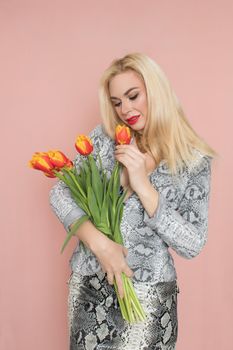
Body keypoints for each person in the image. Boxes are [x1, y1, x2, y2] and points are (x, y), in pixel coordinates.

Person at [49, 52, 217, 350]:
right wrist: (101, 246)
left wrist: (143, 186)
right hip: (90, 289)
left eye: (133, 96)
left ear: (156, 90)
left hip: (149, 297)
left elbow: (192, 243)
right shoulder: (104, 140)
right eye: (117, 102)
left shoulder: (193, 160)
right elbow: (60, 192)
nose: (125, 109)